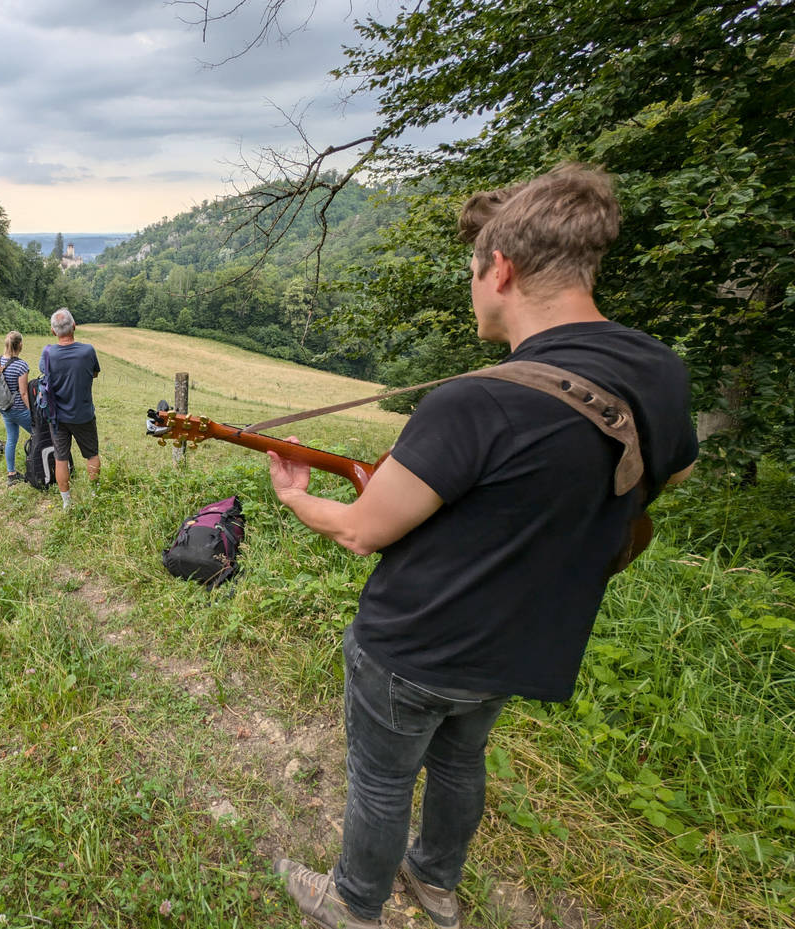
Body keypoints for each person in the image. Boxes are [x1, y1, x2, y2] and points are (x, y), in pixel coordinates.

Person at [267, 166, 698, 929]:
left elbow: (364, 528)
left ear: (501, 269)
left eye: (473, 270)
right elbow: (678, 465)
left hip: (415, 641)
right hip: (522, 638)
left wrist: (297, 496)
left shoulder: (479, 400)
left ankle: (353, 904)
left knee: (380, 779)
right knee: (462, 759)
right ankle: (436, 885)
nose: (472, 287)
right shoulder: (656, 369)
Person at [40, 308, 100, 509]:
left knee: (61, 457)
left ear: (53, 331)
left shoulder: (48, 353)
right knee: (91, 454)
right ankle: (94, 494)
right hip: (83, 415)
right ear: (74, 326)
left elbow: (45, 375)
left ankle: (67, 503)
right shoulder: (88, 351)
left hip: (57, 417)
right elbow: (94, 374)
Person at [0, 331, 32, 485]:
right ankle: (41, 465)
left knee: (11, 438)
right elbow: (23, 392)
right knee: (40, 434)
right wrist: (31, 411)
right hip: (18, 409)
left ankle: (11, 474)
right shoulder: (21, 365)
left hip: (4, 408)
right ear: (20, 345)